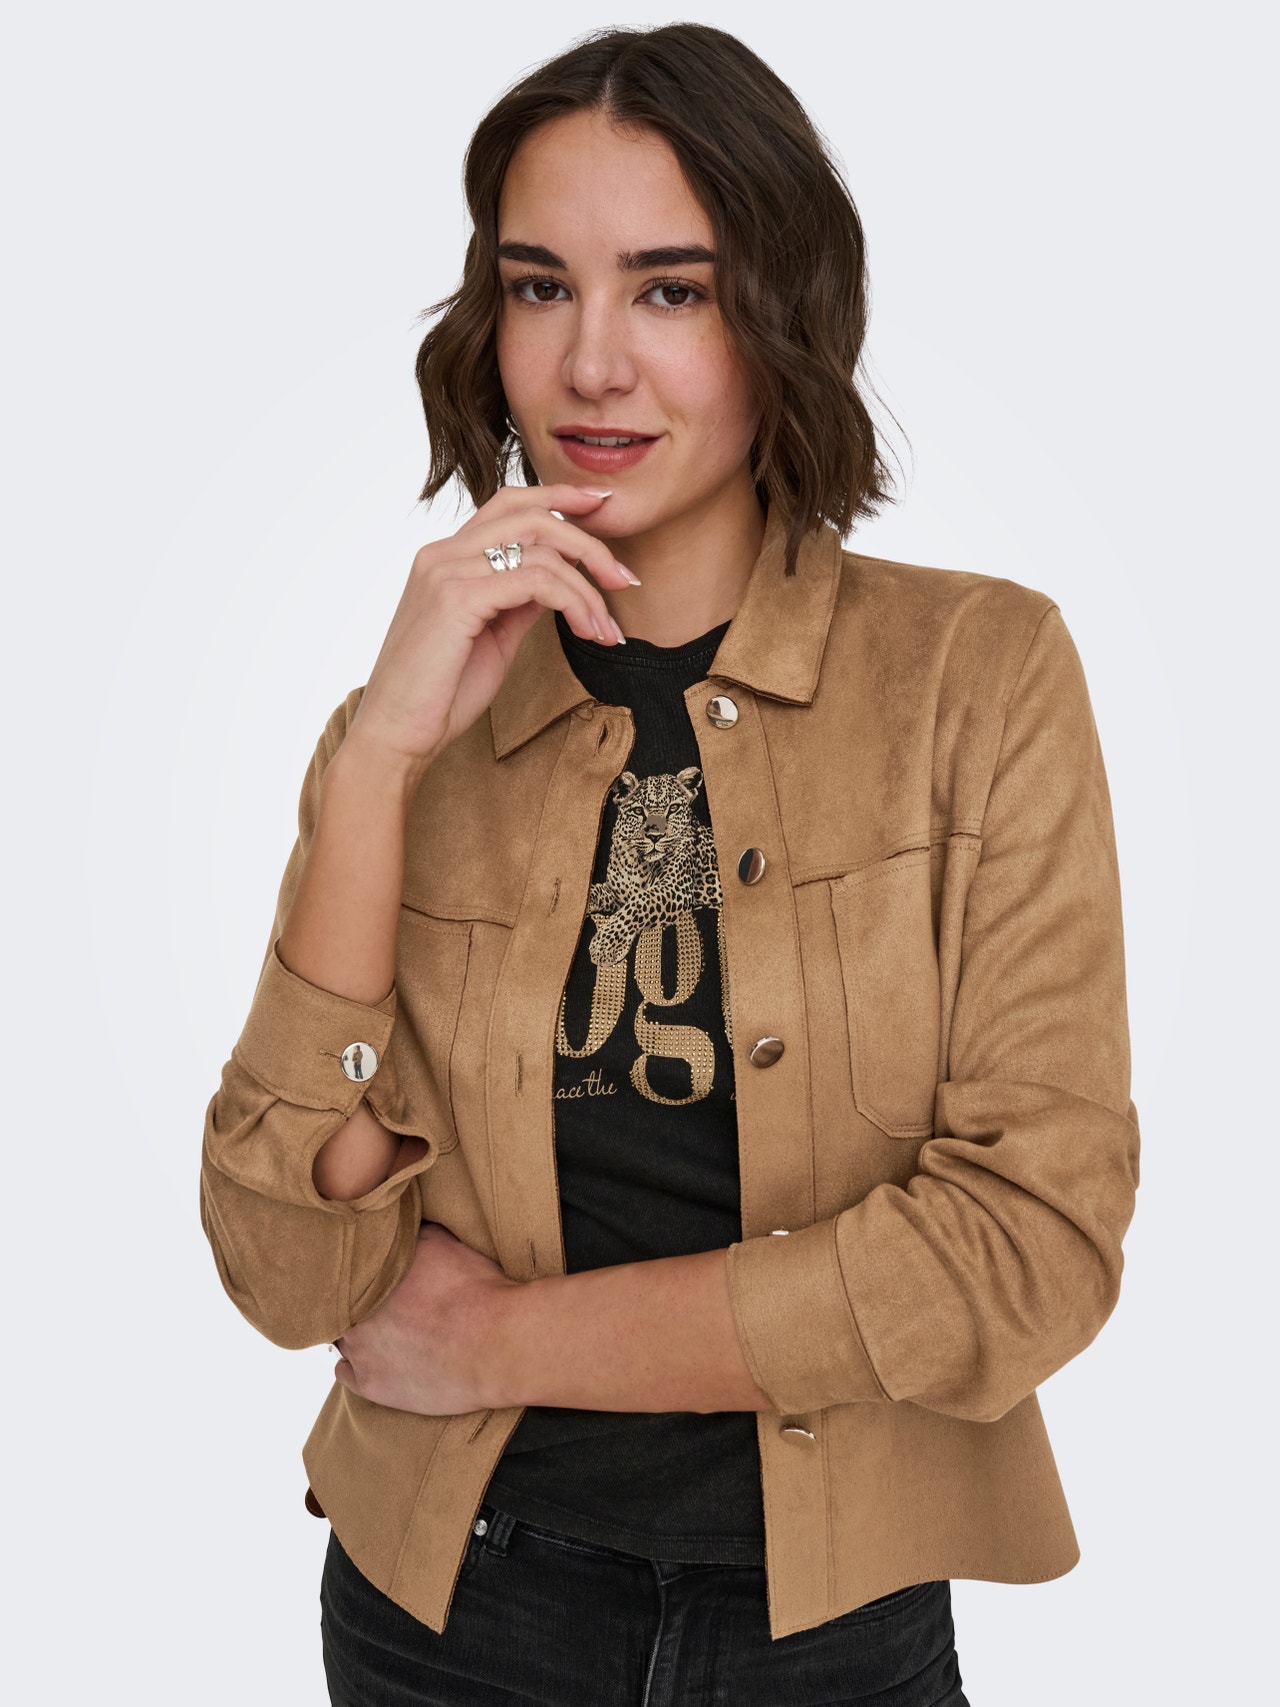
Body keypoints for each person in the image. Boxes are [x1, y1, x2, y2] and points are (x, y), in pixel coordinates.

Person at [199, 23, 1140, 1707]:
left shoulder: (977, 679)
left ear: (782, 312)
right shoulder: (402, 730)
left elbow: (1028, 1252)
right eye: (540, 287)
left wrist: (502, 1340)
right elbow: (291, 1275)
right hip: (445, 1616)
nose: (591, 366)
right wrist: (378, 770)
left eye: (670, 290)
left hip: (832, 1629)